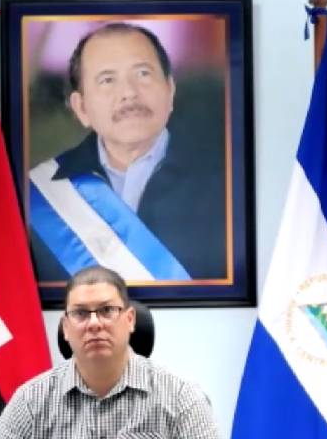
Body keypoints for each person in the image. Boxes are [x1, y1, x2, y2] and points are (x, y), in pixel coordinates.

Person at [0, 265, 242, 439]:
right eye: (81, 313)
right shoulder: (30, 400)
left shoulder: (180, 396)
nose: (94, 323)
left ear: (130, 320)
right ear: (65, 327)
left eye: (107, 310)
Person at [28, 22, 227, 283]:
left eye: (143, 74)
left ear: (170, 90)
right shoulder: (39, 194)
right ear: (81, 107)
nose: (129, 93)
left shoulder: (223, 181)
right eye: (107, 80)